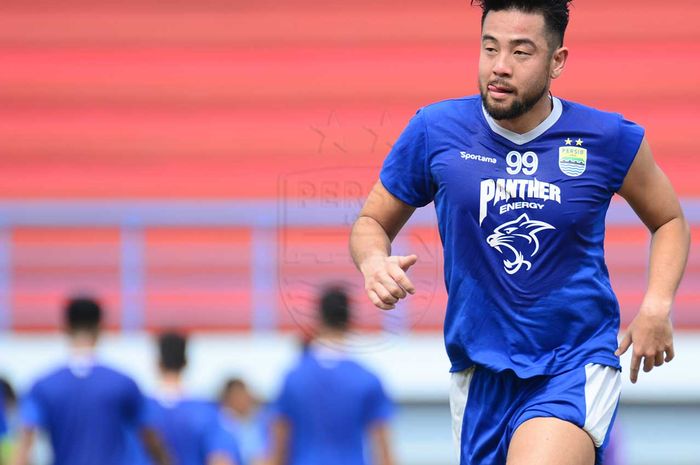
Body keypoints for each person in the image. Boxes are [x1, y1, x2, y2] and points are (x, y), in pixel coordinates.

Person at [348, 1, 691, 464]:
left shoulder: (607, 138)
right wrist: (373, 261)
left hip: (571, 363)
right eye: (490, 48)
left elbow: (669, 220)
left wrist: (656, 305)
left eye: (521, 52)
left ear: (557, 61)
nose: (500, 66)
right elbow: (371, 222)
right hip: (478, 373)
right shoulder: (435, 130)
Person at [10, 297, 170, 465]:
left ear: (66, 328)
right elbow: (150, 438)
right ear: (100, 327)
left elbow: (25, 442)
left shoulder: (44, 385)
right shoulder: (123, 383)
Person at [270, 288, 395, 465]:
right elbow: (384, 451)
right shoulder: (367, 379)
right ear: (350, 320)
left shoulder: (293, 378)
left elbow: (279, 447)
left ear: (319, 319)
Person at [144, 332, 240, 465]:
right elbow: (221, 459)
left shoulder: (142, 409)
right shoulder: (207, 412)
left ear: (158, 364)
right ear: (186, 362)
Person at [219, 378, 273, 465]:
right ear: (228, 399)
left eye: (244, 395)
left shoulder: (261, 422)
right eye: (237, 396)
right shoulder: (222, 426)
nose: (244, 400)